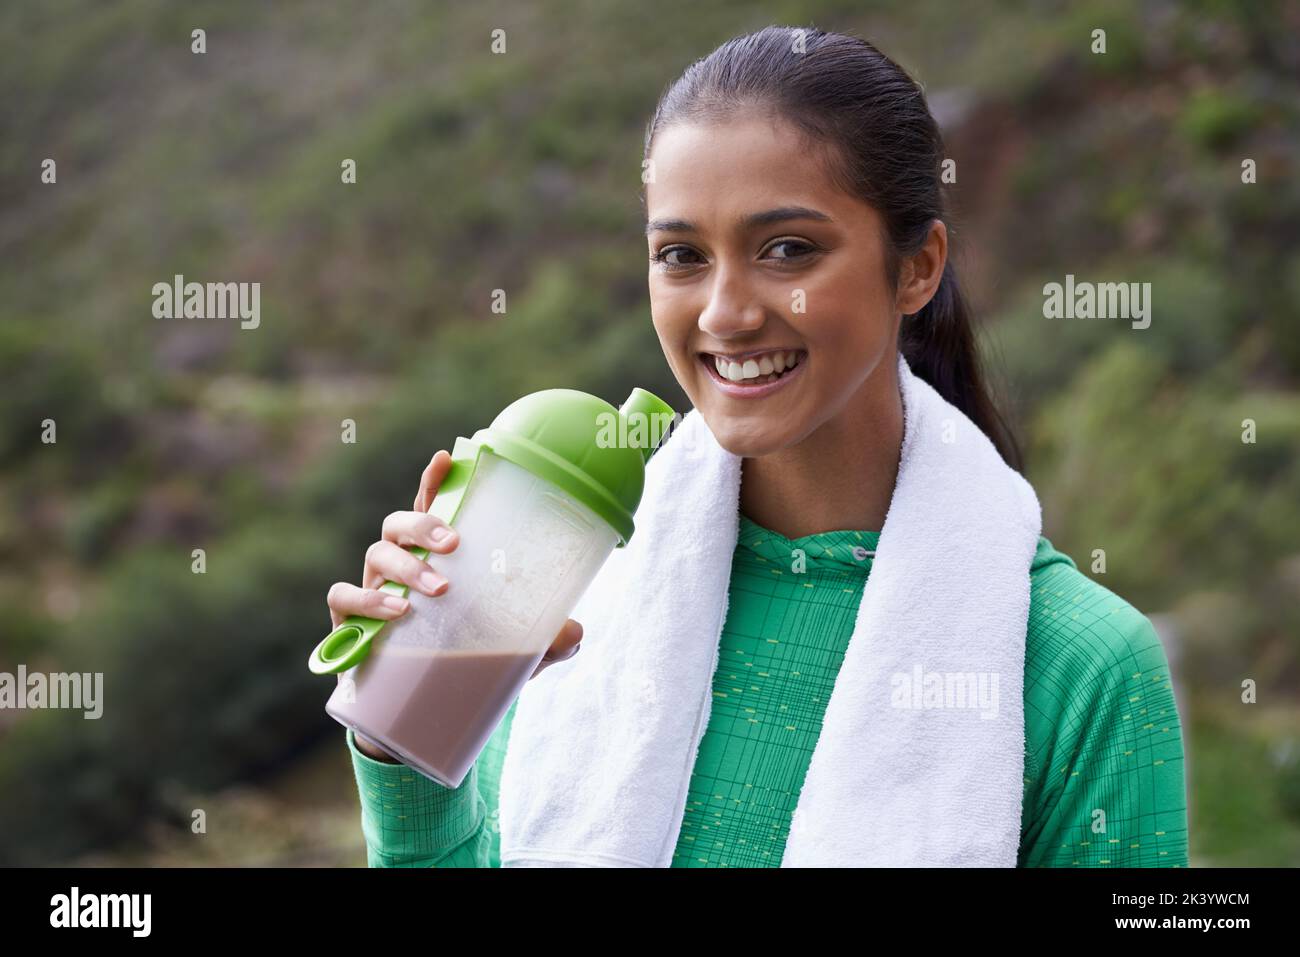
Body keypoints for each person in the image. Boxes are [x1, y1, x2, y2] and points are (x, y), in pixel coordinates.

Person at [325, 25, 1189, 867]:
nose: (725, 314)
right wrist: (406, 726)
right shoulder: (583, 586)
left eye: (787, 249)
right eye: (681, 255)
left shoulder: (1082, 666)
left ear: (918, 266)